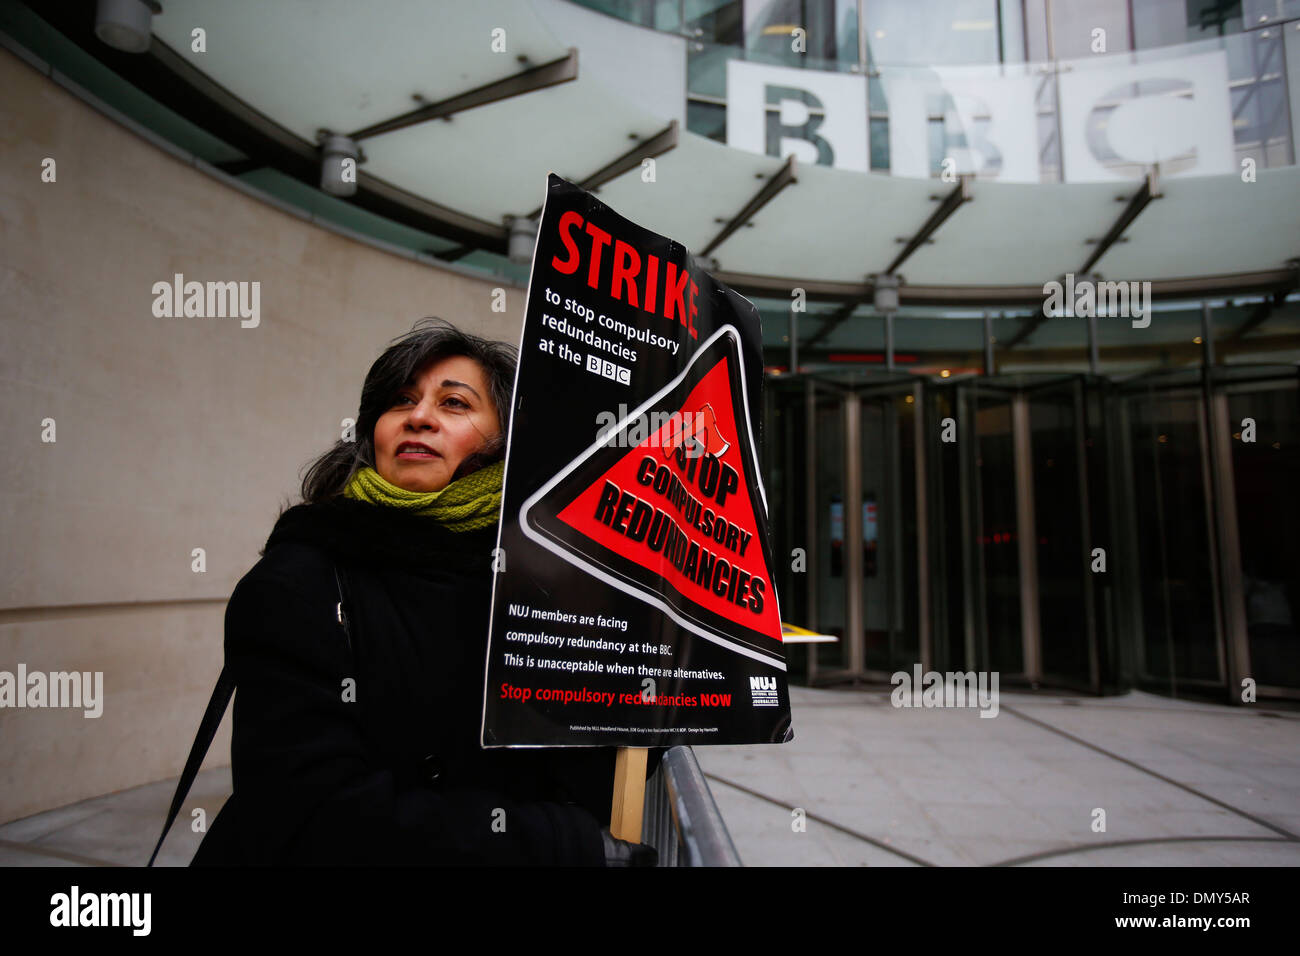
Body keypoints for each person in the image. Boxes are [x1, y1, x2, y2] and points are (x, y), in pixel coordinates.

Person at [191, 318, 657, 866]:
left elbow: (579, 773)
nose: (418, 417)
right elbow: (314, 814)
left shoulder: (545, 587)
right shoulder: (299, 581)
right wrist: (565, 847)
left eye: (454, 403)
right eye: (400, 402)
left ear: (508, 440)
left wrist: (651, 679)